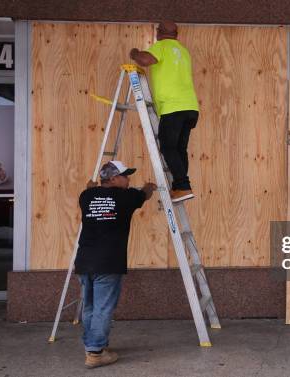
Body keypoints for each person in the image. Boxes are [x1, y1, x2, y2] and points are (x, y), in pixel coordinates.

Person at [74, 160, 157, 368]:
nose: (128, 180)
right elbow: (144, 194)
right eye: (125, 176)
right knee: (103, 308)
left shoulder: (86, 196)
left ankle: (93, 346)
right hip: (109, 262)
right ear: (113, 178)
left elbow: (91, 189)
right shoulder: (127, 197)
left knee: (90, 306)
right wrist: (149, 186)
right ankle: (95, 353)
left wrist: (91, 186)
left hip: (84, 261)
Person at [129, 20, 199, 203]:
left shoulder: (161, 46)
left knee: (168, 148)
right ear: (176, 33)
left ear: (159, 32)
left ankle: (183, 186)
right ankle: (179, 188)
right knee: (179, 149)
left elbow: (145, 60)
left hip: (173, 107)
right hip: (190, 107)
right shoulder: (183, 51)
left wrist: (135, 53)